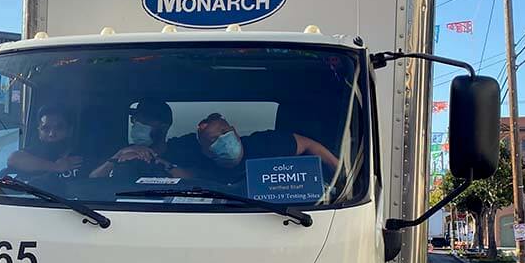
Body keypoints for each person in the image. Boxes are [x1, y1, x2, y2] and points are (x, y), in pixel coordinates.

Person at [164, 112, 341, 183]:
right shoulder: (192, 157)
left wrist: (340, 170)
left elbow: (308, 144)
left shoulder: (265, 144)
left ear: (236, 132)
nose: (224, 139)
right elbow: (165, 165)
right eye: (213, 139)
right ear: (203, 149)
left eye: (225, 132)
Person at [90, 99, 183, 179]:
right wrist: (118, 156)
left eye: (145, 121)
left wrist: (159, 162)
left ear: (164, 127)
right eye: (135, 120)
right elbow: (93, 180)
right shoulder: (117, 152)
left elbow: (192, 181)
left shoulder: (179, 153)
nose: (137, 125)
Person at [6, 105, 85, 179]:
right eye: (45, 128)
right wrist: (56, 167)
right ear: (39, 132)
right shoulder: (33, 154)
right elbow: (13, 159)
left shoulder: (81, 156)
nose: (51, 134)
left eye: (59, 128)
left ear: (69, 131)